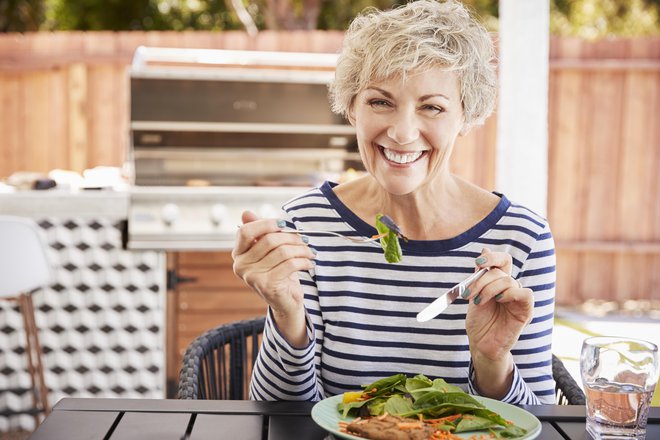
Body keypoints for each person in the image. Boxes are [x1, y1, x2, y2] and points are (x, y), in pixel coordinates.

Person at [232, 0, 555, 405]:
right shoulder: (306, 222)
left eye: (432, 107)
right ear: (352, 107)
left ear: (465, 114)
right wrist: (287, 315)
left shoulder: (523, 237)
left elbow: (541, 426)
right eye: (380, 102)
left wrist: (492, 363)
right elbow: (279, 415)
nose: (402, 133)